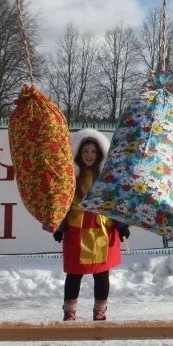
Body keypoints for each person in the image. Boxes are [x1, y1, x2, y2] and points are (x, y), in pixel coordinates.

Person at [52, 128, 128, 322]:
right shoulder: (71, 178)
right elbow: (63, 204)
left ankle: (100, 311)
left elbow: (114, 204)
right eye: (85, 151)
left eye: (93, 151)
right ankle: (69, 312)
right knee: (74, 274)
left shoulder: (107, 179)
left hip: (103, 232)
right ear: (79, 153)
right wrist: (59, 228)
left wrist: (122, 226)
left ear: (99, 153)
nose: (89, 155)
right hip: (76, 232)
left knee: (102, 275)